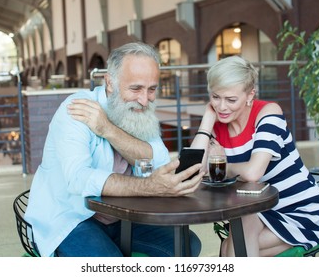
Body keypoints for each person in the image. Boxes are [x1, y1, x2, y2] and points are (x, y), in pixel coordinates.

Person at [25, 42, 204, 257]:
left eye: (152, 89)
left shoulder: (138, 110)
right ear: (110, 83)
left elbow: (159, 161)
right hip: (73, 218)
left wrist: (108, 129)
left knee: (187, 245)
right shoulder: (76, 109)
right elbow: (79, 179)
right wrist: (149, 186)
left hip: (123, 219)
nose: (144, 99)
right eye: (136, 88)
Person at [190, 55, 319, 257]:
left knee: (233, 250)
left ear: (250, 95)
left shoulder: (268, 113)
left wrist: (224, 165)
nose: (221, 107)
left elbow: (253, 173)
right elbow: (196, 171)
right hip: (260, 211)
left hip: (301, 212)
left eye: (231, 99)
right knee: (235, 243)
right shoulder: (217, 123)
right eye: (215, 97)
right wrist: (206, 121)